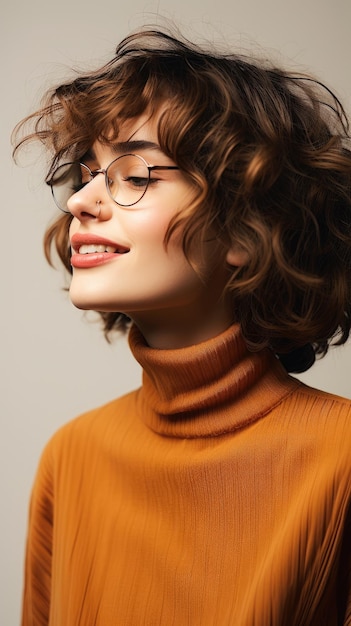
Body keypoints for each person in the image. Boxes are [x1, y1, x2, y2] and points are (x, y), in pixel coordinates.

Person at [13, 27, 351, 626]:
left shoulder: (340, 460)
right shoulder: (72, 457)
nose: (79, 201)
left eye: (135, 174)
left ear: (248, 226)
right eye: (88, 172)